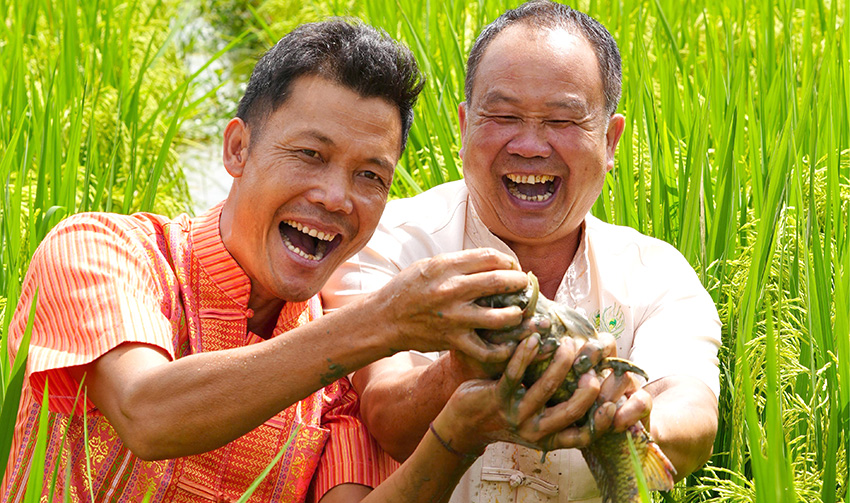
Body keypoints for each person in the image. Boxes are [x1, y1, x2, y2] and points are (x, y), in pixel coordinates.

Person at [2, 19, 603, 503]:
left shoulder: (340, 371)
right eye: (310, 154)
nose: (336, 198)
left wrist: (458, 432)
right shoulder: (101, 250)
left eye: (370, 175)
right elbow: (148, 412)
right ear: (237, 149)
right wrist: (386, 321)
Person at [323, 2, 722, 502]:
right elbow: (386, 414)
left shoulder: (655, 273)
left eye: (562, 120)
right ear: (465, 127)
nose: (531, 145)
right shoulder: (385, 240)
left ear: (611, 139)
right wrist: (460, 375)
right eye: (505, 115)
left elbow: (694, 408)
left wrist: (630, 419)